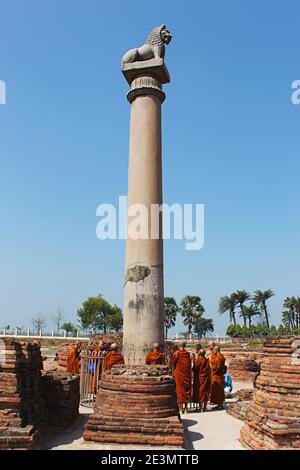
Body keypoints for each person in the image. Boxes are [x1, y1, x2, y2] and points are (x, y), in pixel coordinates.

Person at [171, 340, 191, 414]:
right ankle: (186, 409)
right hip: (186, 375)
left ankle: (180, 408)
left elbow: (172, 363)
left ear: (179, 346)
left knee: (179, 391)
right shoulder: (188, 354)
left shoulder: (177, 353)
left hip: (179, 375)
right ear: (185, 346)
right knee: (185, 390)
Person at [210, 345, 226, 409]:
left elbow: (216, 367)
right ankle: (218, 404)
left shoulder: (219, 358)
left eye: (213, 350)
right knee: (217, 390)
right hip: (218, 376)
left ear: (216, 350)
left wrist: (211, 364)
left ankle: (220, 404)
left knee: (218, 390)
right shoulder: (219, 357)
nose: (213, 351)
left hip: (217, 376)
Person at [192, 344, 202, 410]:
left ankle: (200, 406)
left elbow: (194, 368)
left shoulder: (198, 359)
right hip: (202, 377)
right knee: (202, 391)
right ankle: (202, 407)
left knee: (199, 391)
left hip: (198, 377)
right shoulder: (206, 359)